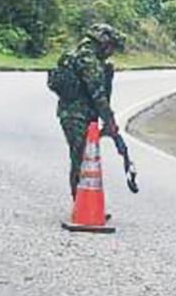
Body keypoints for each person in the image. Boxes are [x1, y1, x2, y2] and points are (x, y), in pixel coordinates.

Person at [52, 24, 123, 195]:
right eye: (112, 47)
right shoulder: (88, 60)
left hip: (74, 114)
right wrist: (109, 120)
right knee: (81, 158)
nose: (111, 52)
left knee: (83, 157)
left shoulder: (78, 55)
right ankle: (82, 204)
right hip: (77, 116)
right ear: (104, 43)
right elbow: (98, 94)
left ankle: (84, 202)